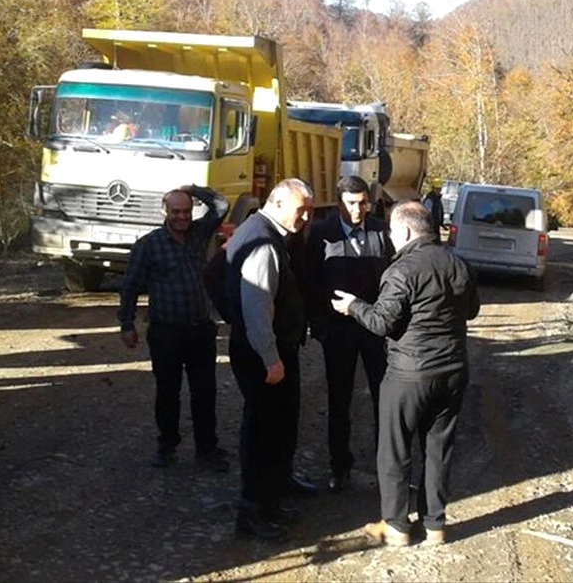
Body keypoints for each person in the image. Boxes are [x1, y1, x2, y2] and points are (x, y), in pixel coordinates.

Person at [332, 201, 480, 548]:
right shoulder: (461, 265)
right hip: (454, 371)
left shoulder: (401, 270)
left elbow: (382, 322)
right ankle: (435, 525)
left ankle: (397, 525)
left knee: (395, 449)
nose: (390, 240)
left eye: (392, 234)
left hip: (409, 375)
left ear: (407, 232)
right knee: (438, 448)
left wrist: (352, 306)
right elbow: (472, 310)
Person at [223, 178, 317, 541]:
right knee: (263, 432)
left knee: (279, 426)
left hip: (270, 350)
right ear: (277, 203)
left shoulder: (263, 231)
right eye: (301, 210)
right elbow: (257, 306)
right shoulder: (262, 242)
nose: (306, 218)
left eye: (309, 210)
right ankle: (253, 512)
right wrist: (270, 358)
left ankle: (274, 492)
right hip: (264, 355)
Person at [118, 185, 230, 473]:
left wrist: (190, 189)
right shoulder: (148, 245)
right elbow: (129, 287)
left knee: (204, 393)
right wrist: (127, 324)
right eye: (175, 211)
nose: (181, 217)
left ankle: (207, 449)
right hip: (166, 332)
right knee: (167, 393)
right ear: (164, 212)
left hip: (200, 330)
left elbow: (220, 205)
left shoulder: (199, 234)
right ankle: (167, 446)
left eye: (186, 211)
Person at [306, 176, 393, 493]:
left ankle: (388, 469)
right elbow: (310, 282)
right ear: (339, 202)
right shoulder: (320, 234)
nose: (358, 210)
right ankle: (339, 466)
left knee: (385, 400)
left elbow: (393, 279)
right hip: (338, 332)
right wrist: (320, 325)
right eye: (351, 203)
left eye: (363, 203)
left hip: (376, 330)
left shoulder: (382, 232)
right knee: (339, 401)